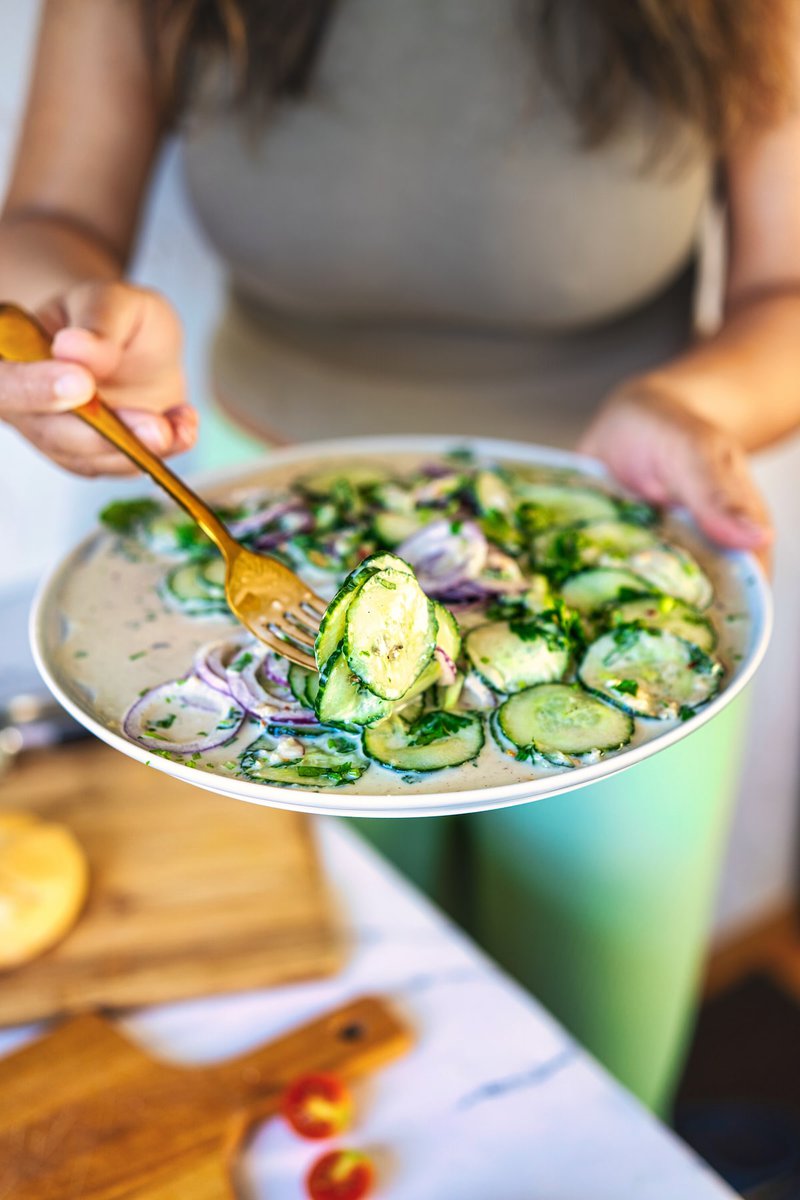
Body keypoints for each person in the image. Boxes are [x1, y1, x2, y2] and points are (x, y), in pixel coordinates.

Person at [2, 0, 799, 1114]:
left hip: (624, 517)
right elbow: (47, 213)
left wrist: (688, 403)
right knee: (345, 1034)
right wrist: (75, 326)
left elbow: (787, 293)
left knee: (593, 1052)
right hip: (251, 509)